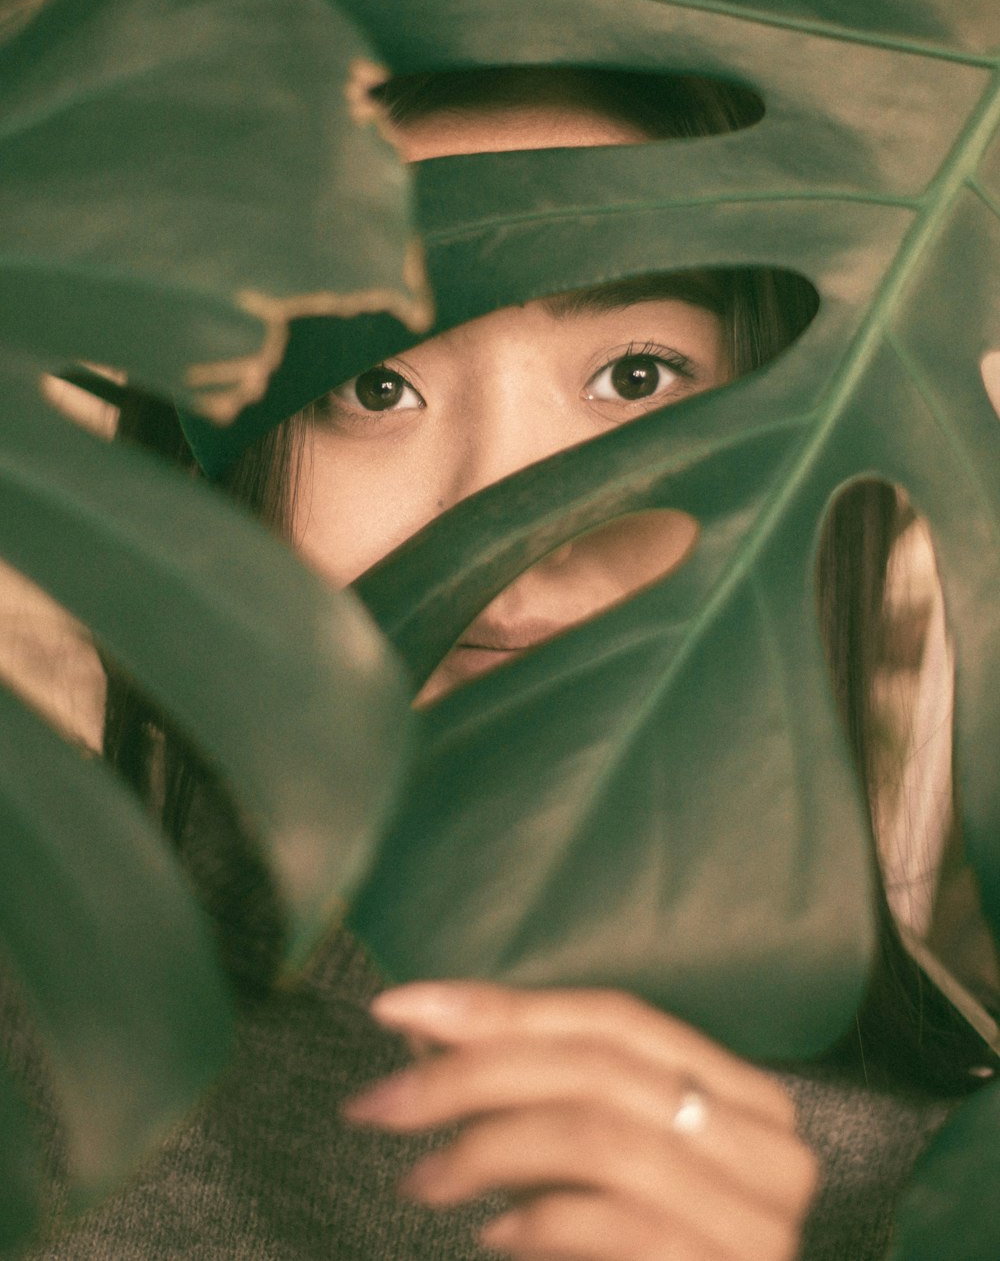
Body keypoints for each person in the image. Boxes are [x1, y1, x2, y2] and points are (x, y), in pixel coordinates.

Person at [70, 63, 993, 1261]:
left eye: (637, 376)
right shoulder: (37, 1014)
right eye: (376, 384)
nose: (506, 522)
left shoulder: (940, 1190)